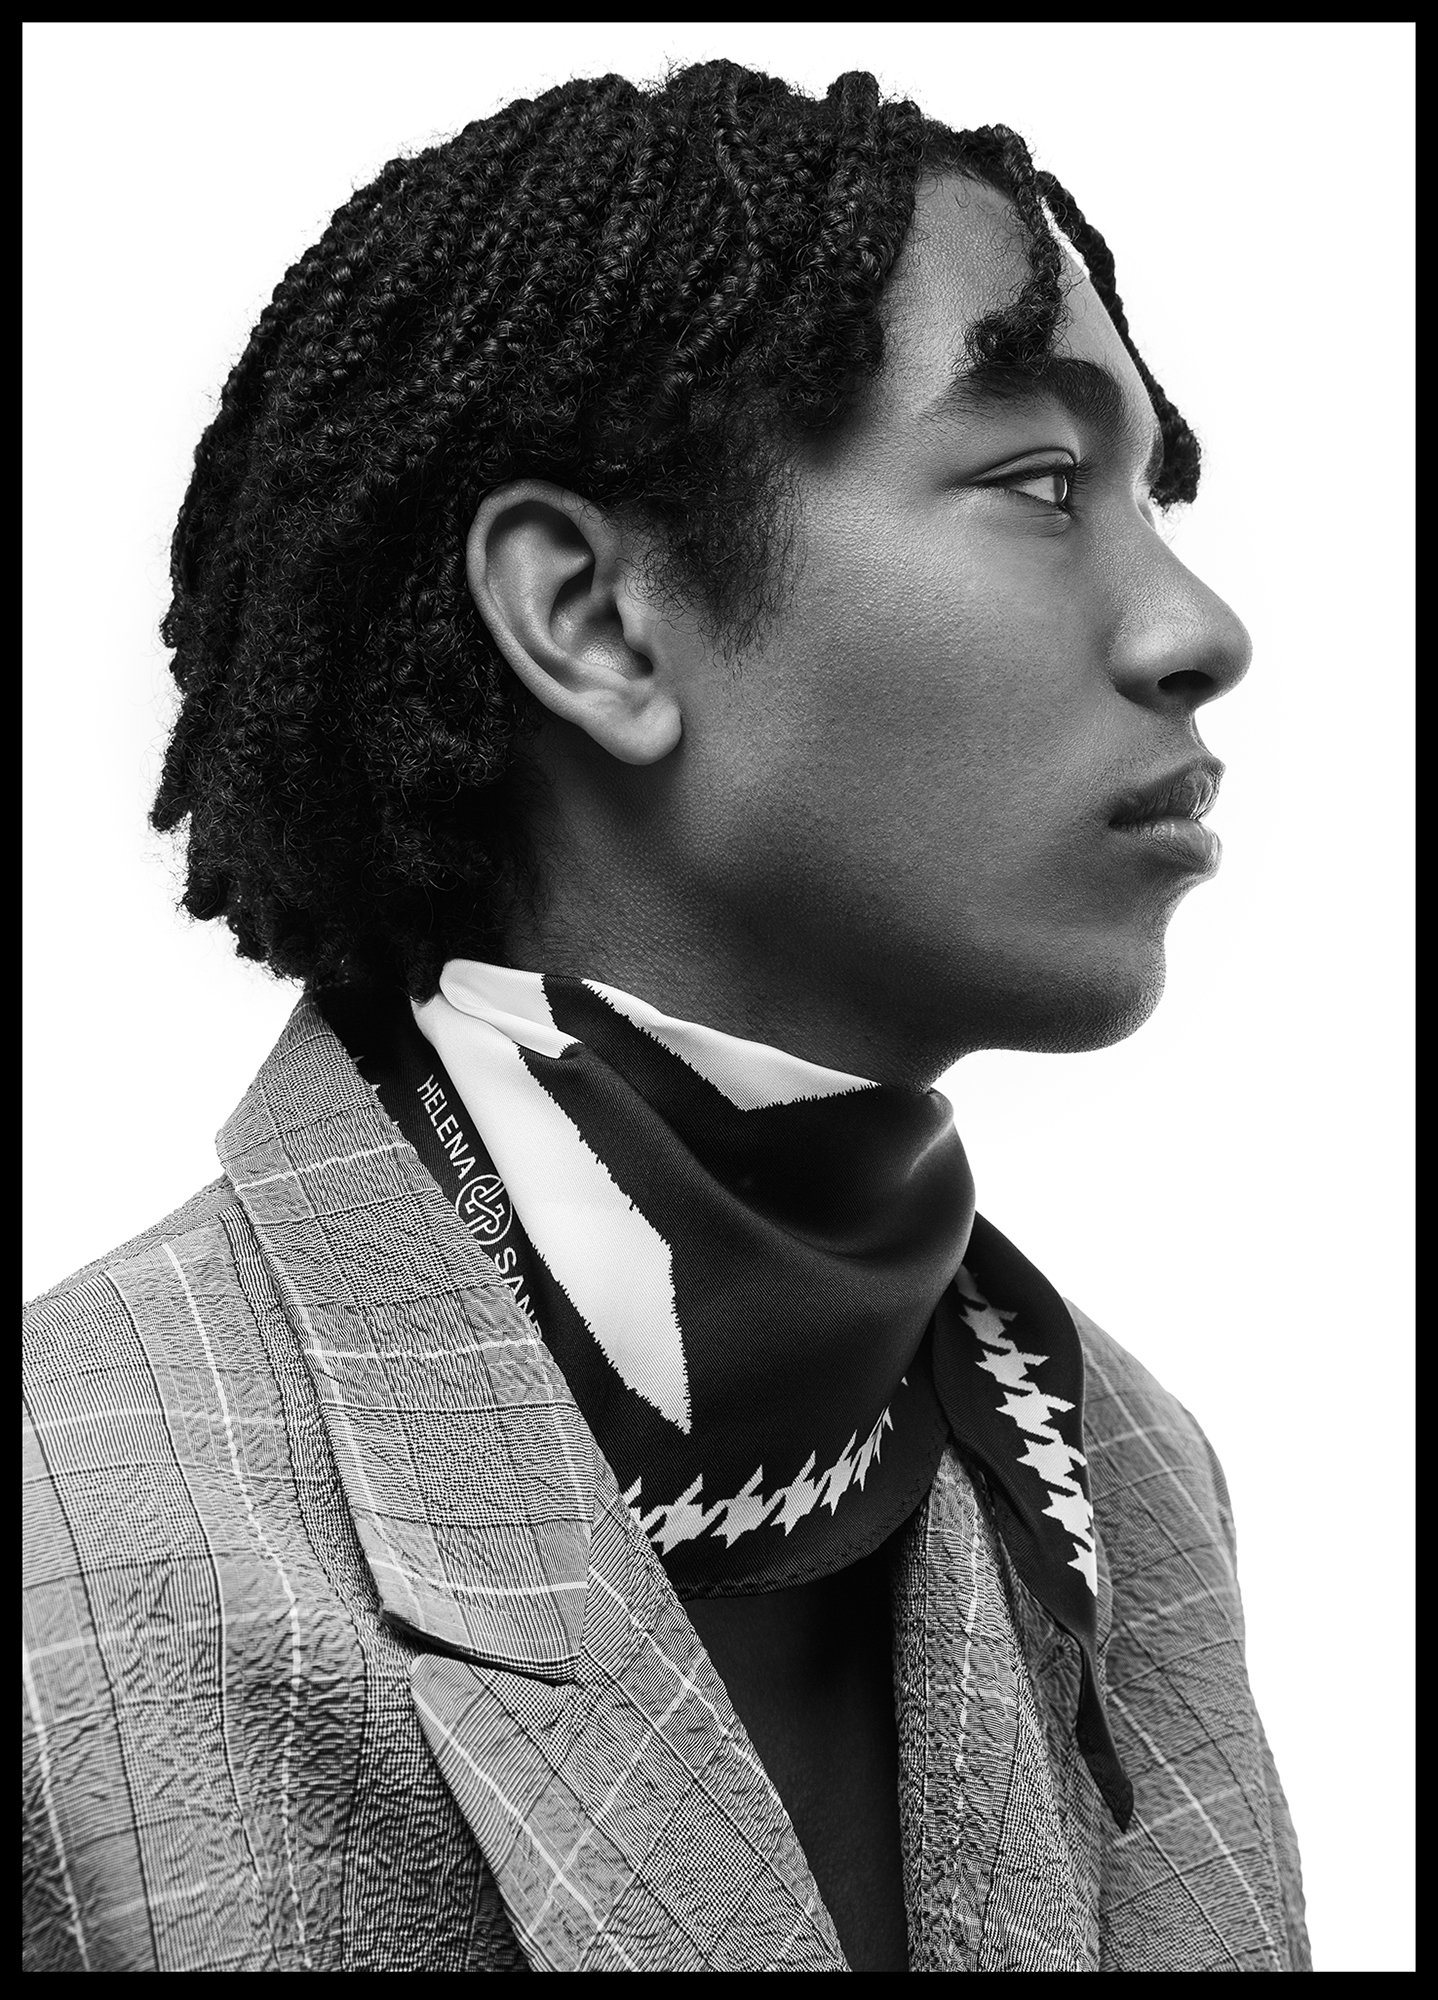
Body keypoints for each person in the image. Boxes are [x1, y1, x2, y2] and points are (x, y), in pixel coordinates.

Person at [22, 60, 1309, 1973]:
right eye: (1042, 484)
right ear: (595, 621)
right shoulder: (68, 1531)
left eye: (1149, 497)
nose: (1196, 627)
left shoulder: (1121, 1473)